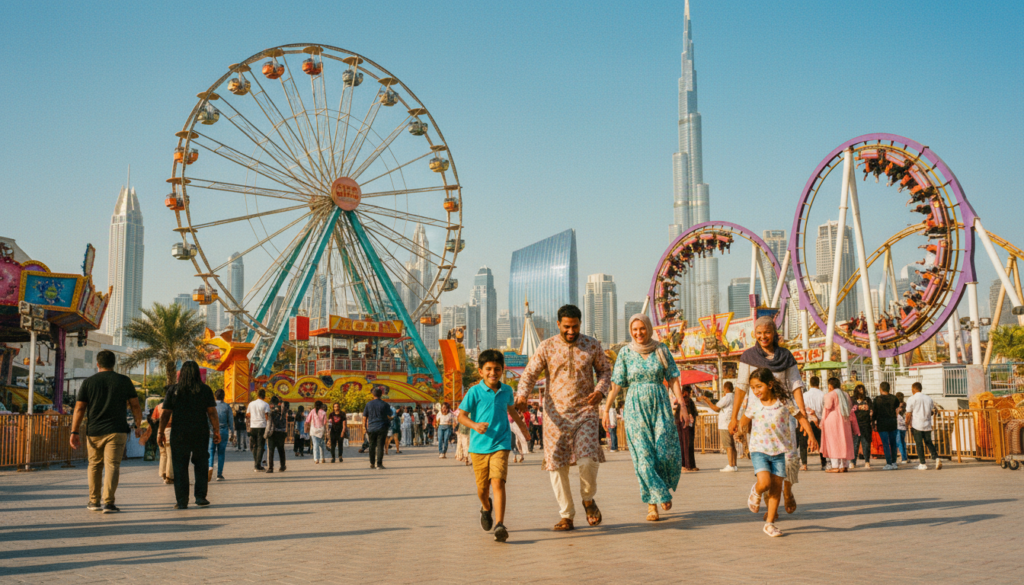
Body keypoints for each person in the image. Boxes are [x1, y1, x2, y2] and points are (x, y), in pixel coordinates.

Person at [516, 304, 612, 531]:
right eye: (566, 327)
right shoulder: (546, 346)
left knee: (587, 460)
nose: (571, 331)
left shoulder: (591, 345)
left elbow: (605, 371)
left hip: (585, 412)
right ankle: (566, 514)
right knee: (557, 466)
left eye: (575, 327)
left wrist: (600, 390)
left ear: (581, 324)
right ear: (558, 324)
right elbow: (530, 373)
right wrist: (522, 395)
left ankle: (588, 499)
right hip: (555, 415)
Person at [603, 313, 684, 522]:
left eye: (642, 328)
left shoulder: (661, 350)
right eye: (634, 329)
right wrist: (606, 409)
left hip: (660, 406)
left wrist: (682, 404)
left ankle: (661, 487)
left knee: (664, 451)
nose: (638, 333)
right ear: (630, 331)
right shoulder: (625, 354)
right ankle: (653, 503)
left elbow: (673, 378)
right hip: (635, 407)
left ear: (649, 328)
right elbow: (616, 384)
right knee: (644, 457)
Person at [729, 316, 807, 515]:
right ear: (755, 334)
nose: (763, 336)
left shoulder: (786, 356)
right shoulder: (748, 356)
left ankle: (787, 491)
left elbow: (796, 384)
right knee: (766, 461)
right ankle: (771, 507)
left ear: (775, 334)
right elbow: (741, 387)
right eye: (759, 333)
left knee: (789, 458)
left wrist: (802, 411)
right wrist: (734, 417)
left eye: (767, 332)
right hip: (759, 417)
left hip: (783, 415)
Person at [458, 350, 529, 543]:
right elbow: (461, 416)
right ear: (481, 372)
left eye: (497, 369)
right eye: (488, 369)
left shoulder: (506, 391)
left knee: (498, 482)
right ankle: (486, 507)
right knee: (482, 488)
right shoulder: (474, 392)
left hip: (501, 443)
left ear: (502, 370)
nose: (493, 373)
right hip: (478, 447)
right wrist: (475, 425)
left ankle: (500, 524)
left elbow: (511, 410)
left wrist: (523, 428)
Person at [739, 368, 818, 538]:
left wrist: (811, 435)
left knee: (776, 488)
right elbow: (744, 420)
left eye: (759, 387)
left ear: (770, 384)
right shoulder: (755, 405)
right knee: (765, 482)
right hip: (759, 450)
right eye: (753, 388)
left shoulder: (784, 401)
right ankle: (756, 490)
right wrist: (739, 431)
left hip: (780, 452)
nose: (756, 391)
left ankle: (770, 524)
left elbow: (801, 418)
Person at [69, 350, 142, 513]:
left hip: (94, 431)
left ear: (97, 364)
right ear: (113, 363)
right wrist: (138, 426)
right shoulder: (124, 381)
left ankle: (94, 501)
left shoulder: (89, 382)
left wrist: (74, 432)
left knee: (94, 465)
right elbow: (136, 406)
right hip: (117, 430)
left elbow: (80, 408)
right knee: (112, 465)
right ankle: (108, 503)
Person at [158, 361, 219, 509]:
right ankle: (200, 497)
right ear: (198, 373)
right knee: (201, 464)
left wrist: (160, 432)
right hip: (200, 432)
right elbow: (211, 412)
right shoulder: (205, 390)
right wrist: (216, 430)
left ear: (182, 373)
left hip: (179, 433)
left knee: (180, 467)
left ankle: (181, 501)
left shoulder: (173, 390)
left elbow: (165, 414)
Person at [821, 377, 859, 472]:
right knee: (843, 441)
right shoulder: (845, 394)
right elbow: (849, 407)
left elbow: (828, 407)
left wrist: (823, 422)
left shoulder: (830, 394)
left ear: (830, 386)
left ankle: (835, 466)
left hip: (833, 420)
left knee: (833, 442)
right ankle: (844, 465)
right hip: (844, 419)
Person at [700, 381, 737, 472]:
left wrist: (707, 400)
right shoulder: (735, 397)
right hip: (732, 423)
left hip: (725, 424)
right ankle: (734, 464)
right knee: (732, 445)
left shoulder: (726, 398)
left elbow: (716, 408)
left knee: (728, 445)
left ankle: (731, 465)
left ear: (725, 388)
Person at [905, 382, 941, 470]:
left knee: (919, 444)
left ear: (913, 389)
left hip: (917, 424)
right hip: (927, 424)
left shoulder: (911, 399)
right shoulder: (928, 398)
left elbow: (908, 414)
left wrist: (906, 423)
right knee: (928, 442)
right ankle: (936, 458)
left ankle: (922, 463)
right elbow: (932, 411)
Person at [363, 387, 392, 469]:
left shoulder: (368, 404)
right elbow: (389, 415)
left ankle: (372, 463)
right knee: (380, 446)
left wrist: (364, 427)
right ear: (381, 394)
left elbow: (364, 417)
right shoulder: (385, 404)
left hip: (371, 427)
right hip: (382, 427)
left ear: (373, 394)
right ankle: (379, 464)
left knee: (371, 445)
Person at [873, 382, 900, 469]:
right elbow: (897, 408)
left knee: (885, 444)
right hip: (892, 422)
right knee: (893, 443)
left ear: (880, 389)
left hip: (882, 423)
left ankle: (888, 463)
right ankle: (894, 462)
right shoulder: (894, 398)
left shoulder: (877, 399)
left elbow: (875, 412)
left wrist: (873, 422)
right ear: (889, 389)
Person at [801, 376, 826, 471]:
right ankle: (823, 463)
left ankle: (804, 464)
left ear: (810, 384)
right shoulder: (823, 395)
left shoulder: (804, 395)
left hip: (806, 421)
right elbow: (825, 409)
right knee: (821, 443)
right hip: (819, 422)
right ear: (818, 383)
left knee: (803, 442)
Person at [208, 389, 232, 482]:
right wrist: (232, 432)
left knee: (211, 451)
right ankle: (219, 474)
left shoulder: (210, 406)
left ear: (215, 396)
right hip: (223, 431)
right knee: (221, 453)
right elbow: (230, 420)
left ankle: (210, 467)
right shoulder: (227, 407)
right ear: (224, 396)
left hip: (212, 431)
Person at [246, 389, 271, 472]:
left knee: (254, 446)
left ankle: (257, 463)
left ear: (257, 395)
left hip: (253, 426)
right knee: (260, 446)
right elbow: (267, 416)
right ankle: (257, 465)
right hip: (262, 426)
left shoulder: (251, 404)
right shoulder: (265, 404)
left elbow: (247, 414)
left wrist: (254, 416)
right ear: (264, 396)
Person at [676, 385, 699, 472]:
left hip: (688, 425)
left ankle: (691, 465)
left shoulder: (688, 400)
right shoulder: (683, 400)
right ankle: (685, 465)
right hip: (684, 425)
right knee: (685, 444)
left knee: (688, 444)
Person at [851, 385, 873, 468]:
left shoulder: (867, 400)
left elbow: (872, 409)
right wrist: (858, 407)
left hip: (866, 425)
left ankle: (867, 461)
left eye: (862, 389)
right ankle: (853, 462)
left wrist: (870, 411)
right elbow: (849, 409)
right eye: (859, 389)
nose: (861, 391)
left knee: (866, 444)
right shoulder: (852, 400)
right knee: (855, 444)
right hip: (855, 425)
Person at [152, 399, 174, 484]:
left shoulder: (158, 406)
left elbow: (154, 419)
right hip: (170, 429)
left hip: (160, 430)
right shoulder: (173, 406)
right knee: (170, 453)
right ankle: (170, 476)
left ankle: (162, 472)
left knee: (163, 453)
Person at [895, 392, 910, 464]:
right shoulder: (905, 404)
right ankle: (905, 457)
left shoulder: (897, 405)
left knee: (899, 442)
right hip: (904, 426)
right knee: (903, 442)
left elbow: (896, 415)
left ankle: (903, 458)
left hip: (898, 426)